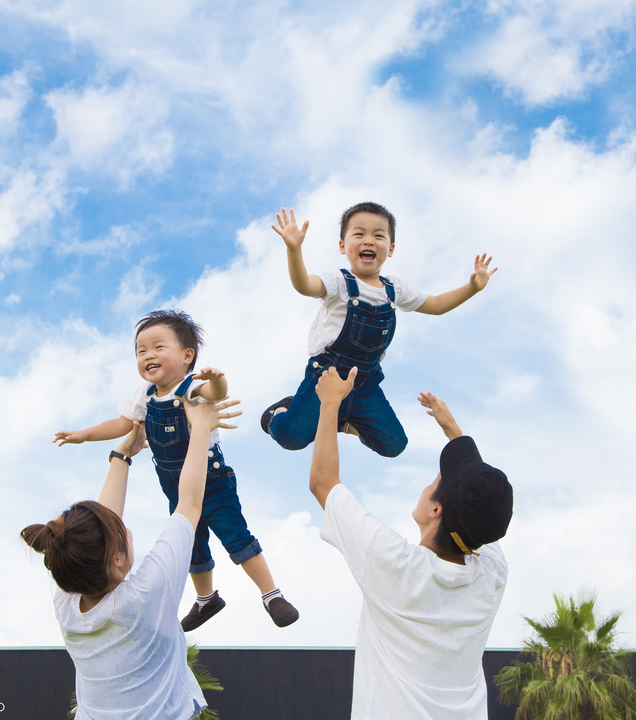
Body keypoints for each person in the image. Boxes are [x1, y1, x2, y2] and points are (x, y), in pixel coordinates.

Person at [53, 310, 298, 630]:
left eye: (158, 347)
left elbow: (217, 394)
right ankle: (206, 599)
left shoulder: (191, 387)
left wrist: (216, 379)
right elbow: (122, 423)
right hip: (174, 484)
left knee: (235, 536)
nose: (148, 355)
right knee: (189, 544)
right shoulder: (145, 396)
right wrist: (84, 435)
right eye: (141, 351)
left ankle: (271, 594)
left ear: (187, 356)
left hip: (210, 481)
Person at [309, 365, 513, 719]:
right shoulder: (489, 575)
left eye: (437, 478)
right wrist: (455, 434)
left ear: (436, 509)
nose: (432, 478)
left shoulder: (397, 564)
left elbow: (324, 483)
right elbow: (484, 507)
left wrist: (330, 401)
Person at [23, 397, 239, 720]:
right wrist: (202, 430)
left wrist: (123, 454)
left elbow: (95, 535)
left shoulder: (67, 599)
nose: (123, 525)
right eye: (120, 529)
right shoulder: (145, 595)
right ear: (117, 561)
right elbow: (191, 504)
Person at [262, 203, 497, 458]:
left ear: (391, 248)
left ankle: (343, 420)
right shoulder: (338, 281)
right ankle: (279, 413)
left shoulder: (394, 289)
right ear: (343, 245)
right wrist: (294, 249)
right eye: (359, 234)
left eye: (378, 235)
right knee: (291, 438)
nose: (369, 241)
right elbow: (304, 285)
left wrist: (472, 287)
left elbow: (437, 304)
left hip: (365, 384)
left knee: (394, 445)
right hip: (327, 377)